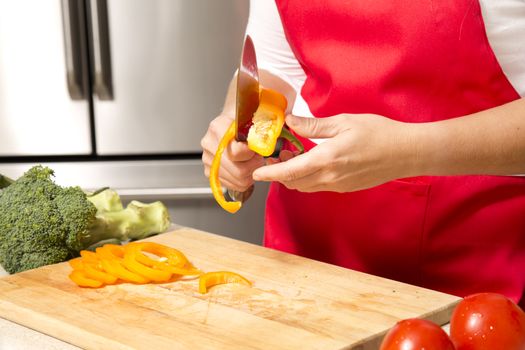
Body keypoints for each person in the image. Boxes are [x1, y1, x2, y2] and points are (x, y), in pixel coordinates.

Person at [201, 0, 525, 307]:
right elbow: (275, 65)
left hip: (467, 280)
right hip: (302, 264)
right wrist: (237, 125)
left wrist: (408, 151)